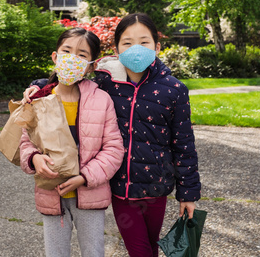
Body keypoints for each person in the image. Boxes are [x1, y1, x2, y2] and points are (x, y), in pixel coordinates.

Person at [24, 13, 201, 257]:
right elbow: (69, 80)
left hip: (157, 187)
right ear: (116, 48)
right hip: (122, 188)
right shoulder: (107, 85)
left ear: (157, 46)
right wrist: (38, 85)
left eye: (144, 42)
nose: (136, 49)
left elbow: (184, 145)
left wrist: (188, 194)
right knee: (139, 250)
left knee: (150, 247)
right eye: (127, 42)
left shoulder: (174, 89)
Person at [19, 27, 125, 257]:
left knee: (93, 251)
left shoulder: (102, 100)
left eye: (82, 54)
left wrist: (85, 177)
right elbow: (25, 142)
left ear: (91, 65)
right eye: (66, 51)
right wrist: (34, 158)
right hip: (51, 194)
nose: (72, 58)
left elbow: (114, 148)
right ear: (55, 57)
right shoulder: (40, 99)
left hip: (90, 194)